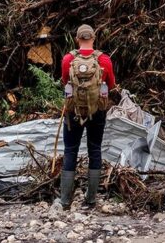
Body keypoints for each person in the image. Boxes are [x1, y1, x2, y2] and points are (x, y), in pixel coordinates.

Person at [59, 24, 116, 210]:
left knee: (70, 150)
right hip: (96, 111)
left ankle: (65, 201)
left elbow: (64, 81)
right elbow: (112, 85)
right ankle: (91, 200)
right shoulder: (104, 60)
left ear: (77, 39)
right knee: (95, 149)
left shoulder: (68, 59)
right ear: (93, 38)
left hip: (73, 111)